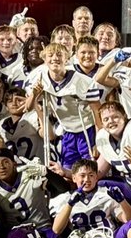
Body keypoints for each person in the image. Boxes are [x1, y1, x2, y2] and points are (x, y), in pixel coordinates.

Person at [27, 43, 104, 172]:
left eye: (59, 55)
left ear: (67, 58)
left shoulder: (82, 81)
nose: (54, 58)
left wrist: (98, 139)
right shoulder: (41, 78)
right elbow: (28, 108)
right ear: (45, 60)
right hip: (67, 131)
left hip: (86, 129)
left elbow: (97, 110)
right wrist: (34, 94)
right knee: (68, 169)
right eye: (50, 55)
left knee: (89, 169)